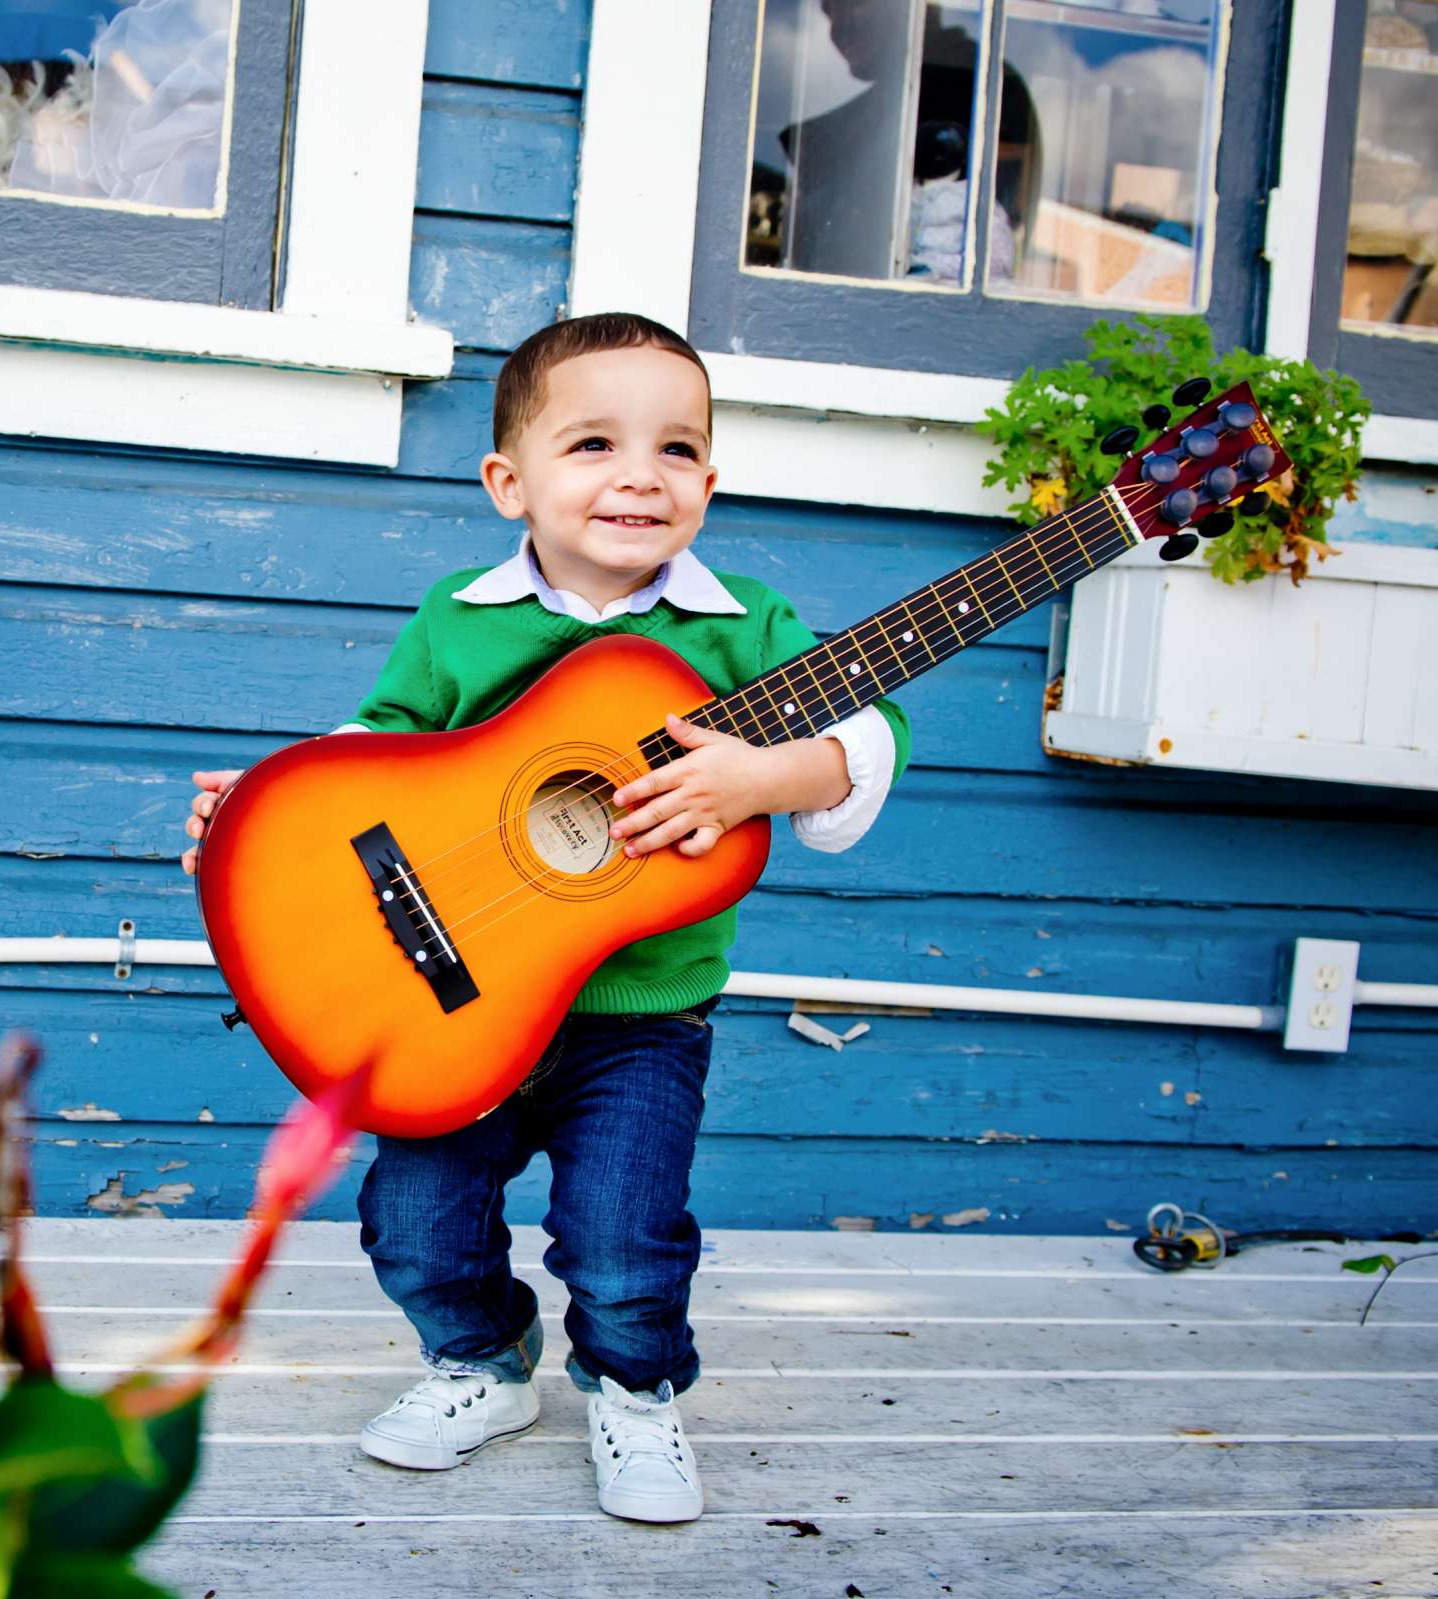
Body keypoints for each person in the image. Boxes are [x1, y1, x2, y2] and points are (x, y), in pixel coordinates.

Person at [177, 312, 910, 1524]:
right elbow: (378, 758)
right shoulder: (462, 616)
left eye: (677, 449)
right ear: (508, 483)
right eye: (594, 445)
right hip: (451, 1002)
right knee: (413, 1221)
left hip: (640, 1016)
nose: (639, 474)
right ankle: (480, 1361)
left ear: (710, 483)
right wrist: (264, 810)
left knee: (623, 1239)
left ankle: (634, 1391)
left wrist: (767, 777)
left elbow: (872, 737)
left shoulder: (745, 631)